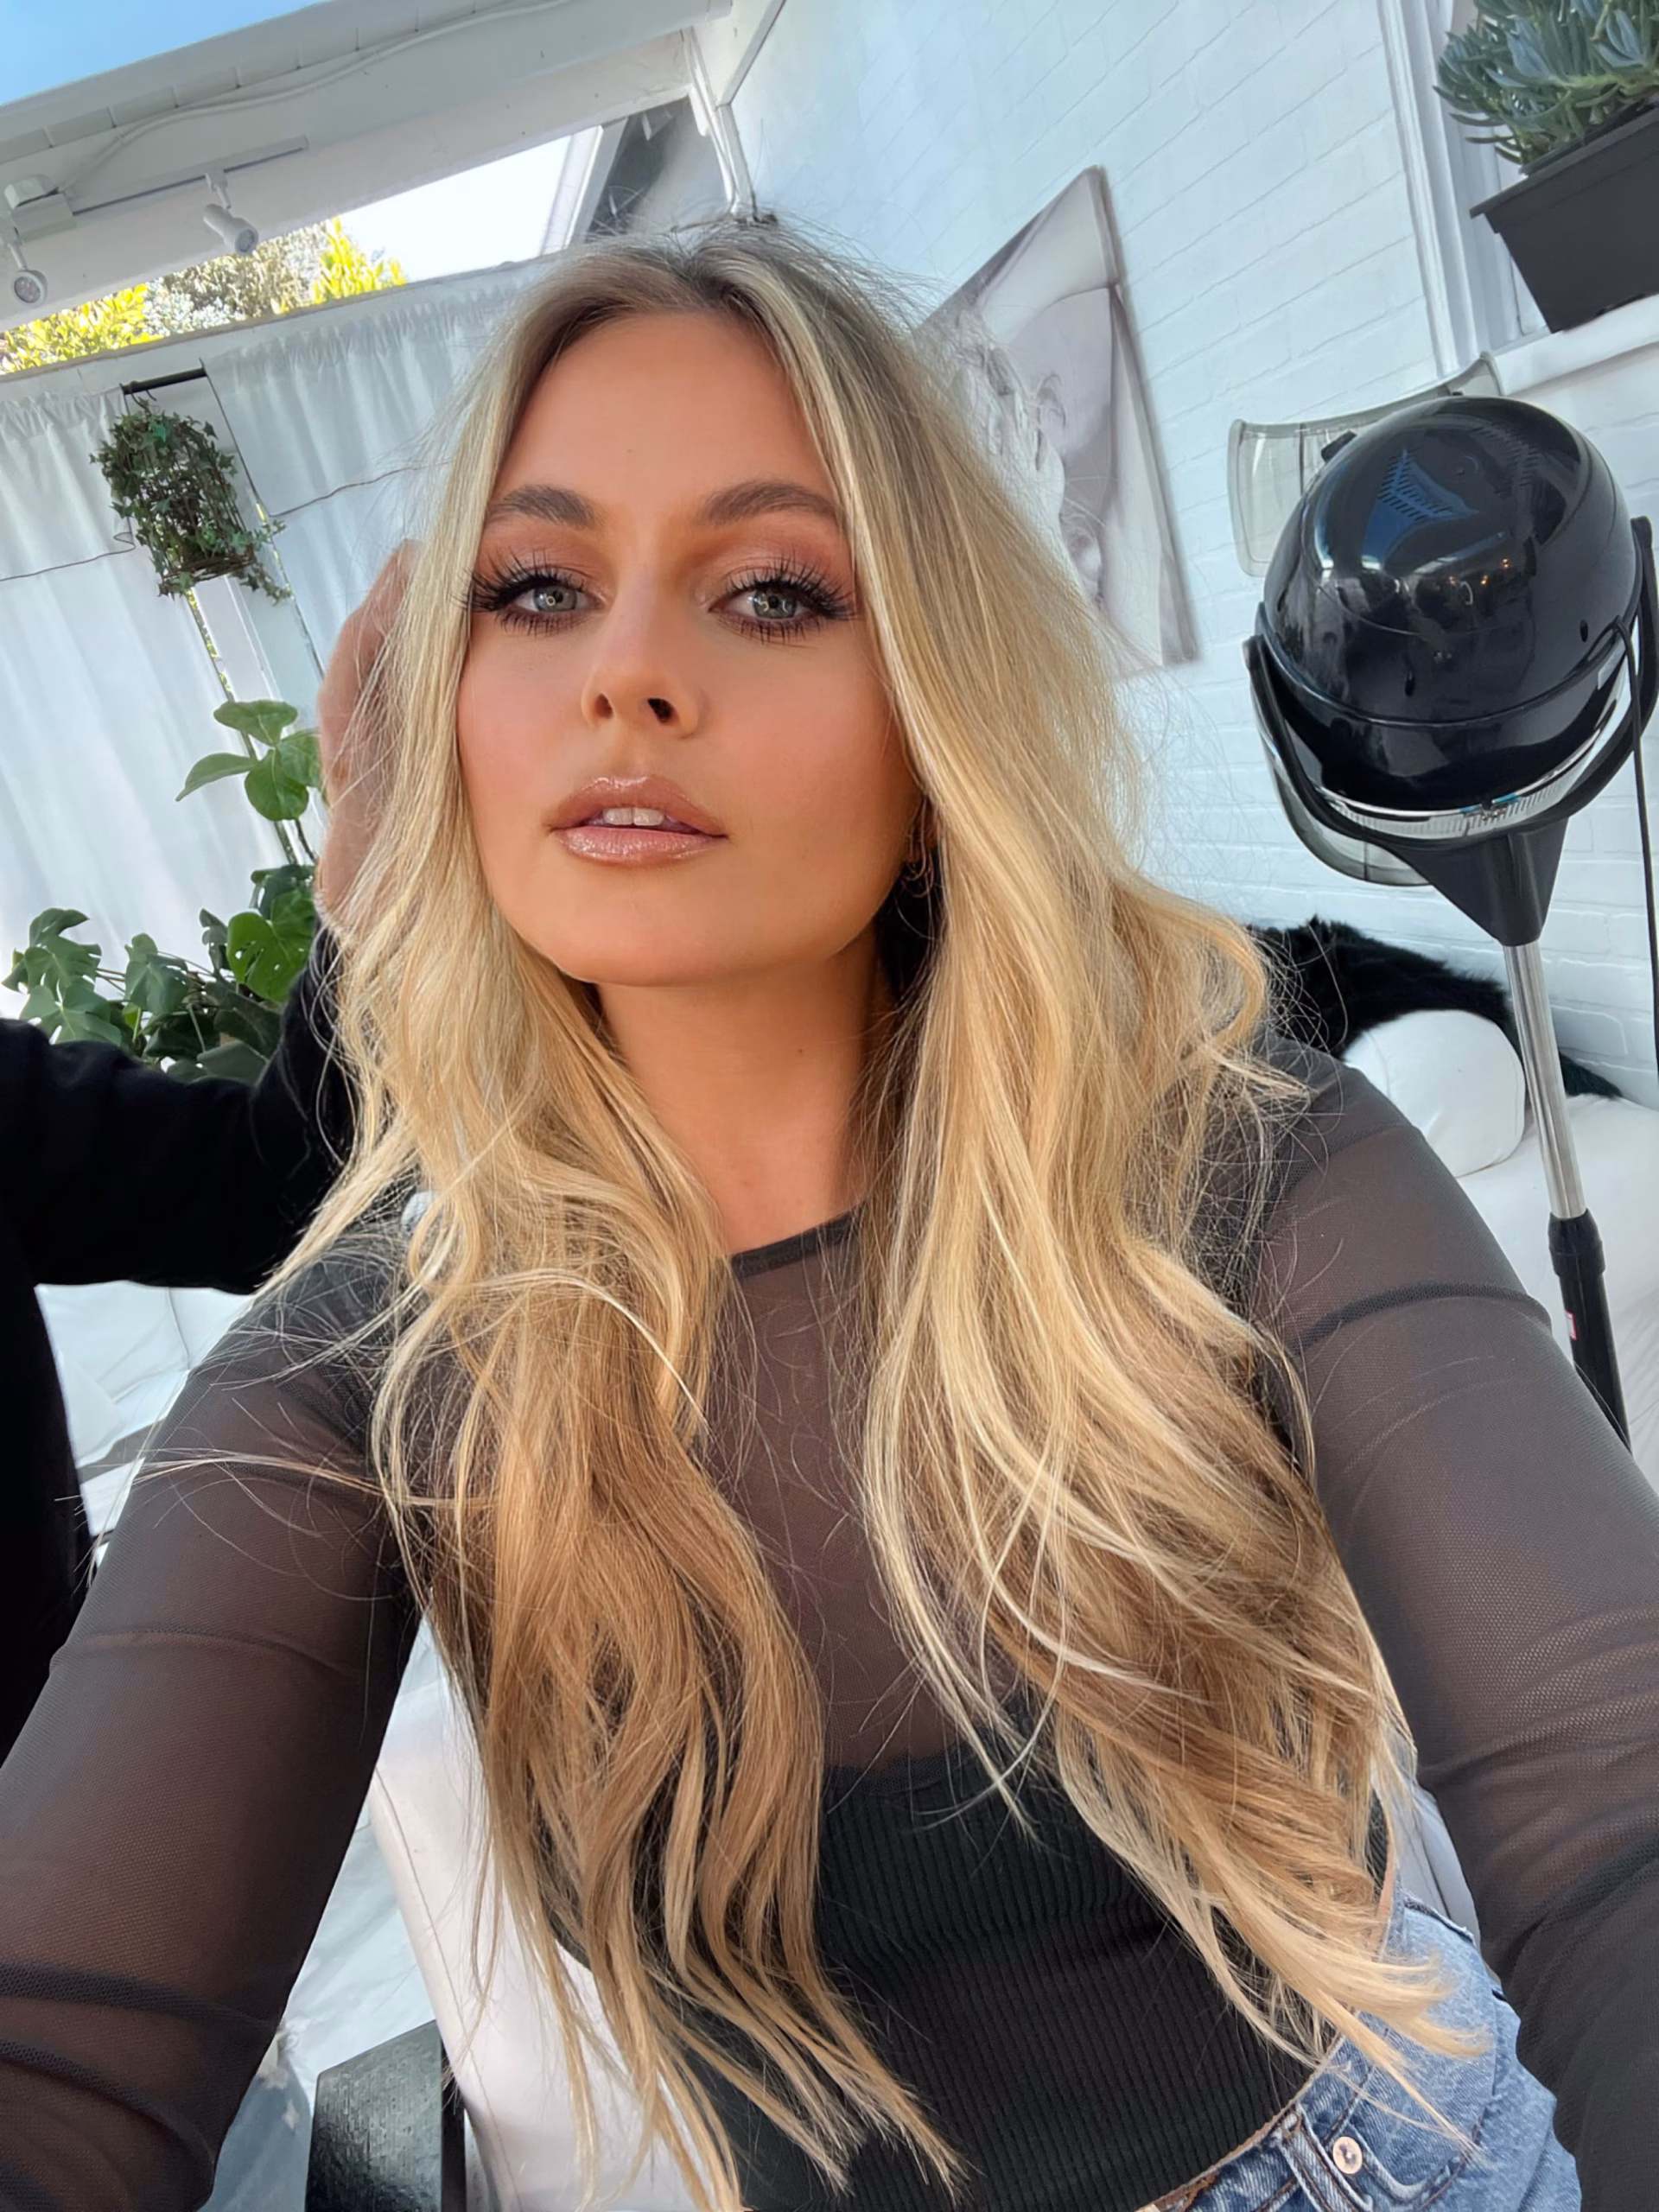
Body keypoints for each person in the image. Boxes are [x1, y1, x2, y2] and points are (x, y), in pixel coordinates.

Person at [0, 222, 1654, 2212]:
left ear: (931, 711)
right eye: (539, 589)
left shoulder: (1234, 1166)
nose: (626, 671)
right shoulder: (370, 1365)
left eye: (773, 589)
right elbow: (55, 2047)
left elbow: (1615, 1806)